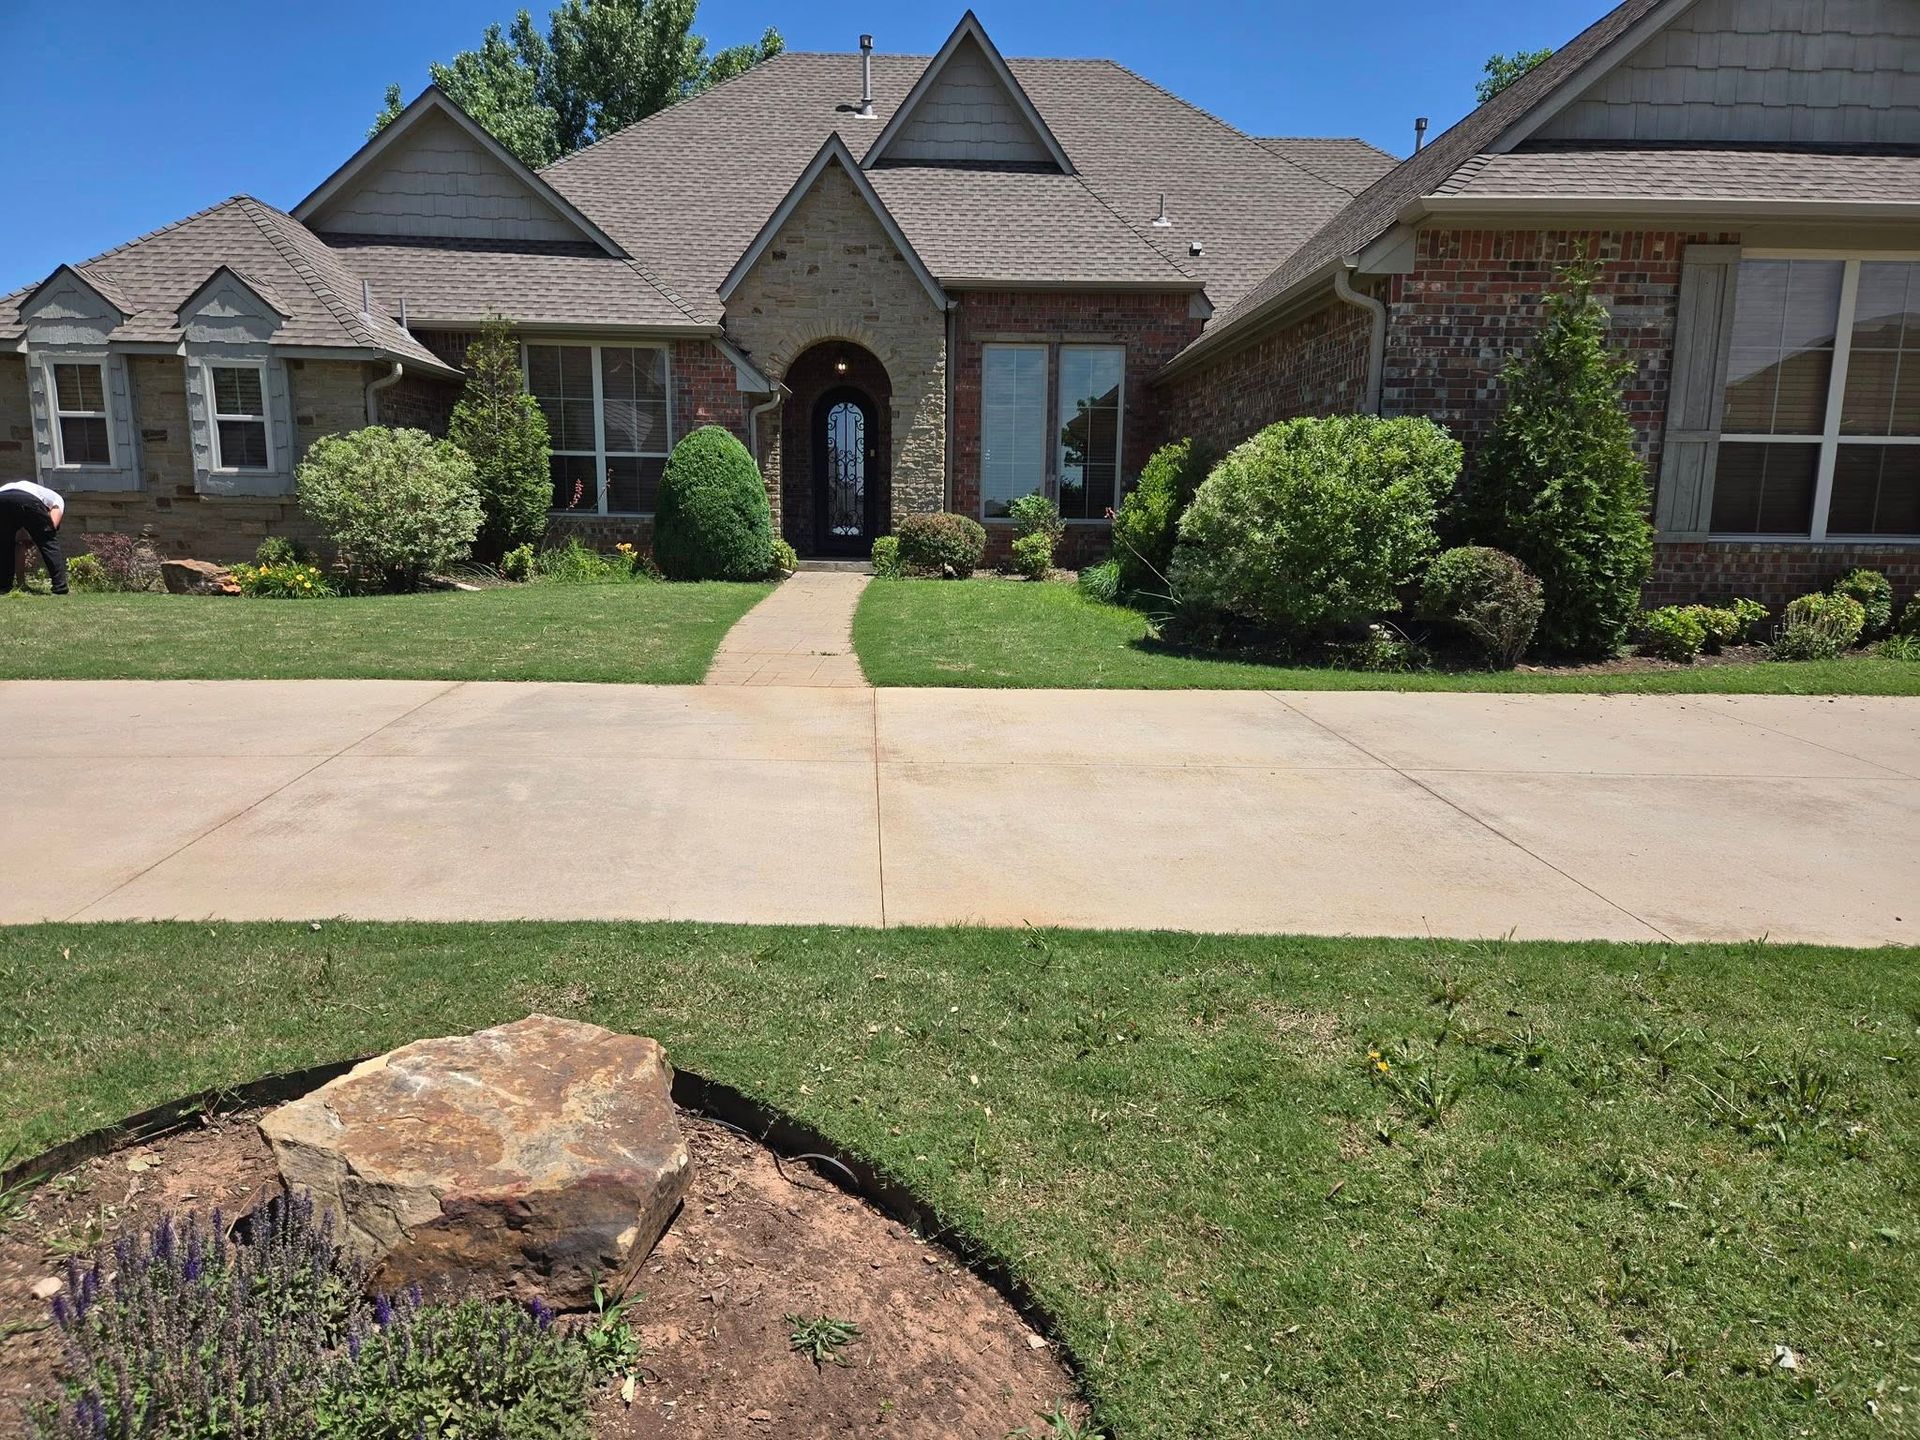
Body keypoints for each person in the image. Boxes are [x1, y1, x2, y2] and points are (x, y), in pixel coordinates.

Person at [1, 479, 69, 594]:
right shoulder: (57, 499)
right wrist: (38, 537)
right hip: (28, 500)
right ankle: (60, 586)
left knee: (4, 544)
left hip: (2, 498)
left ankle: (4, 586)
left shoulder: (31, 489)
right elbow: (51, 526)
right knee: (49, 542)